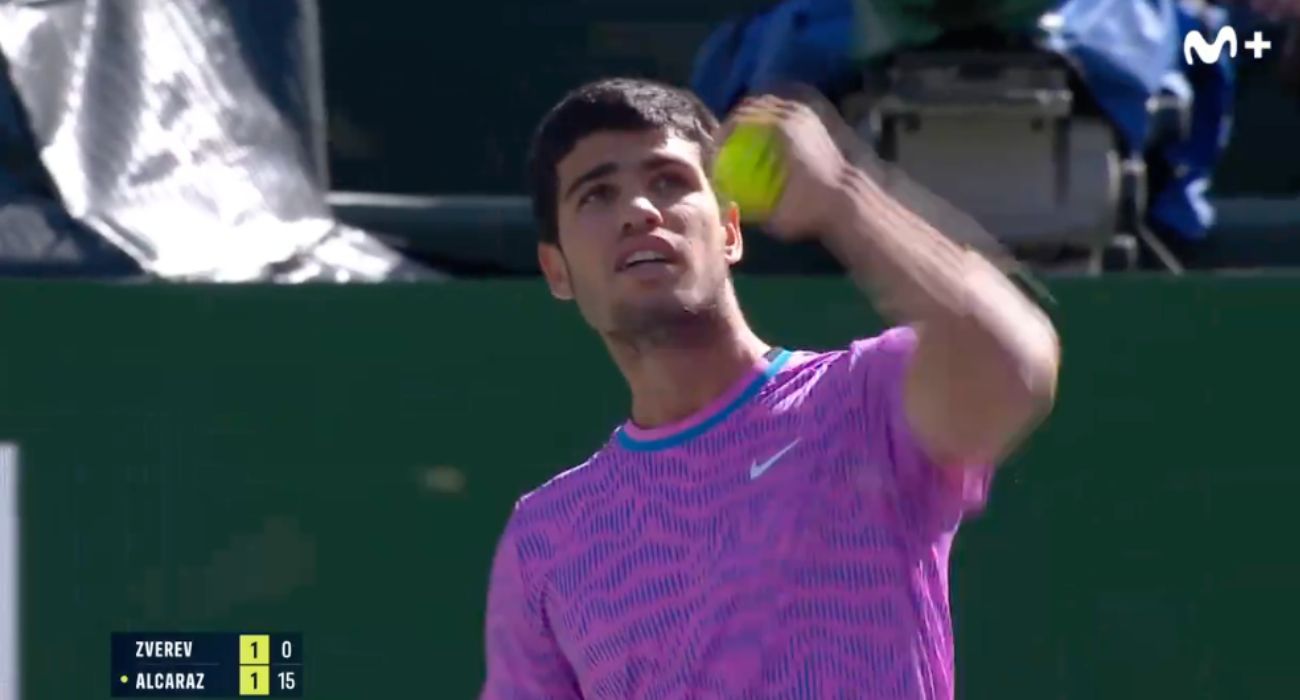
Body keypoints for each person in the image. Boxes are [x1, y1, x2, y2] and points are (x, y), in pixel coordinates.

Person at [480, 77, 1060, 699]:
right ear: (556, 269)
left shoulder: (865, 401)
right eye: (597, 195)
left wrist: (843, 194)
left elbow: (1012, 364)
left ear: (730, 232)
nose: (640, 211)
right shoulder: (546, 537)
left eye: (670, 181)